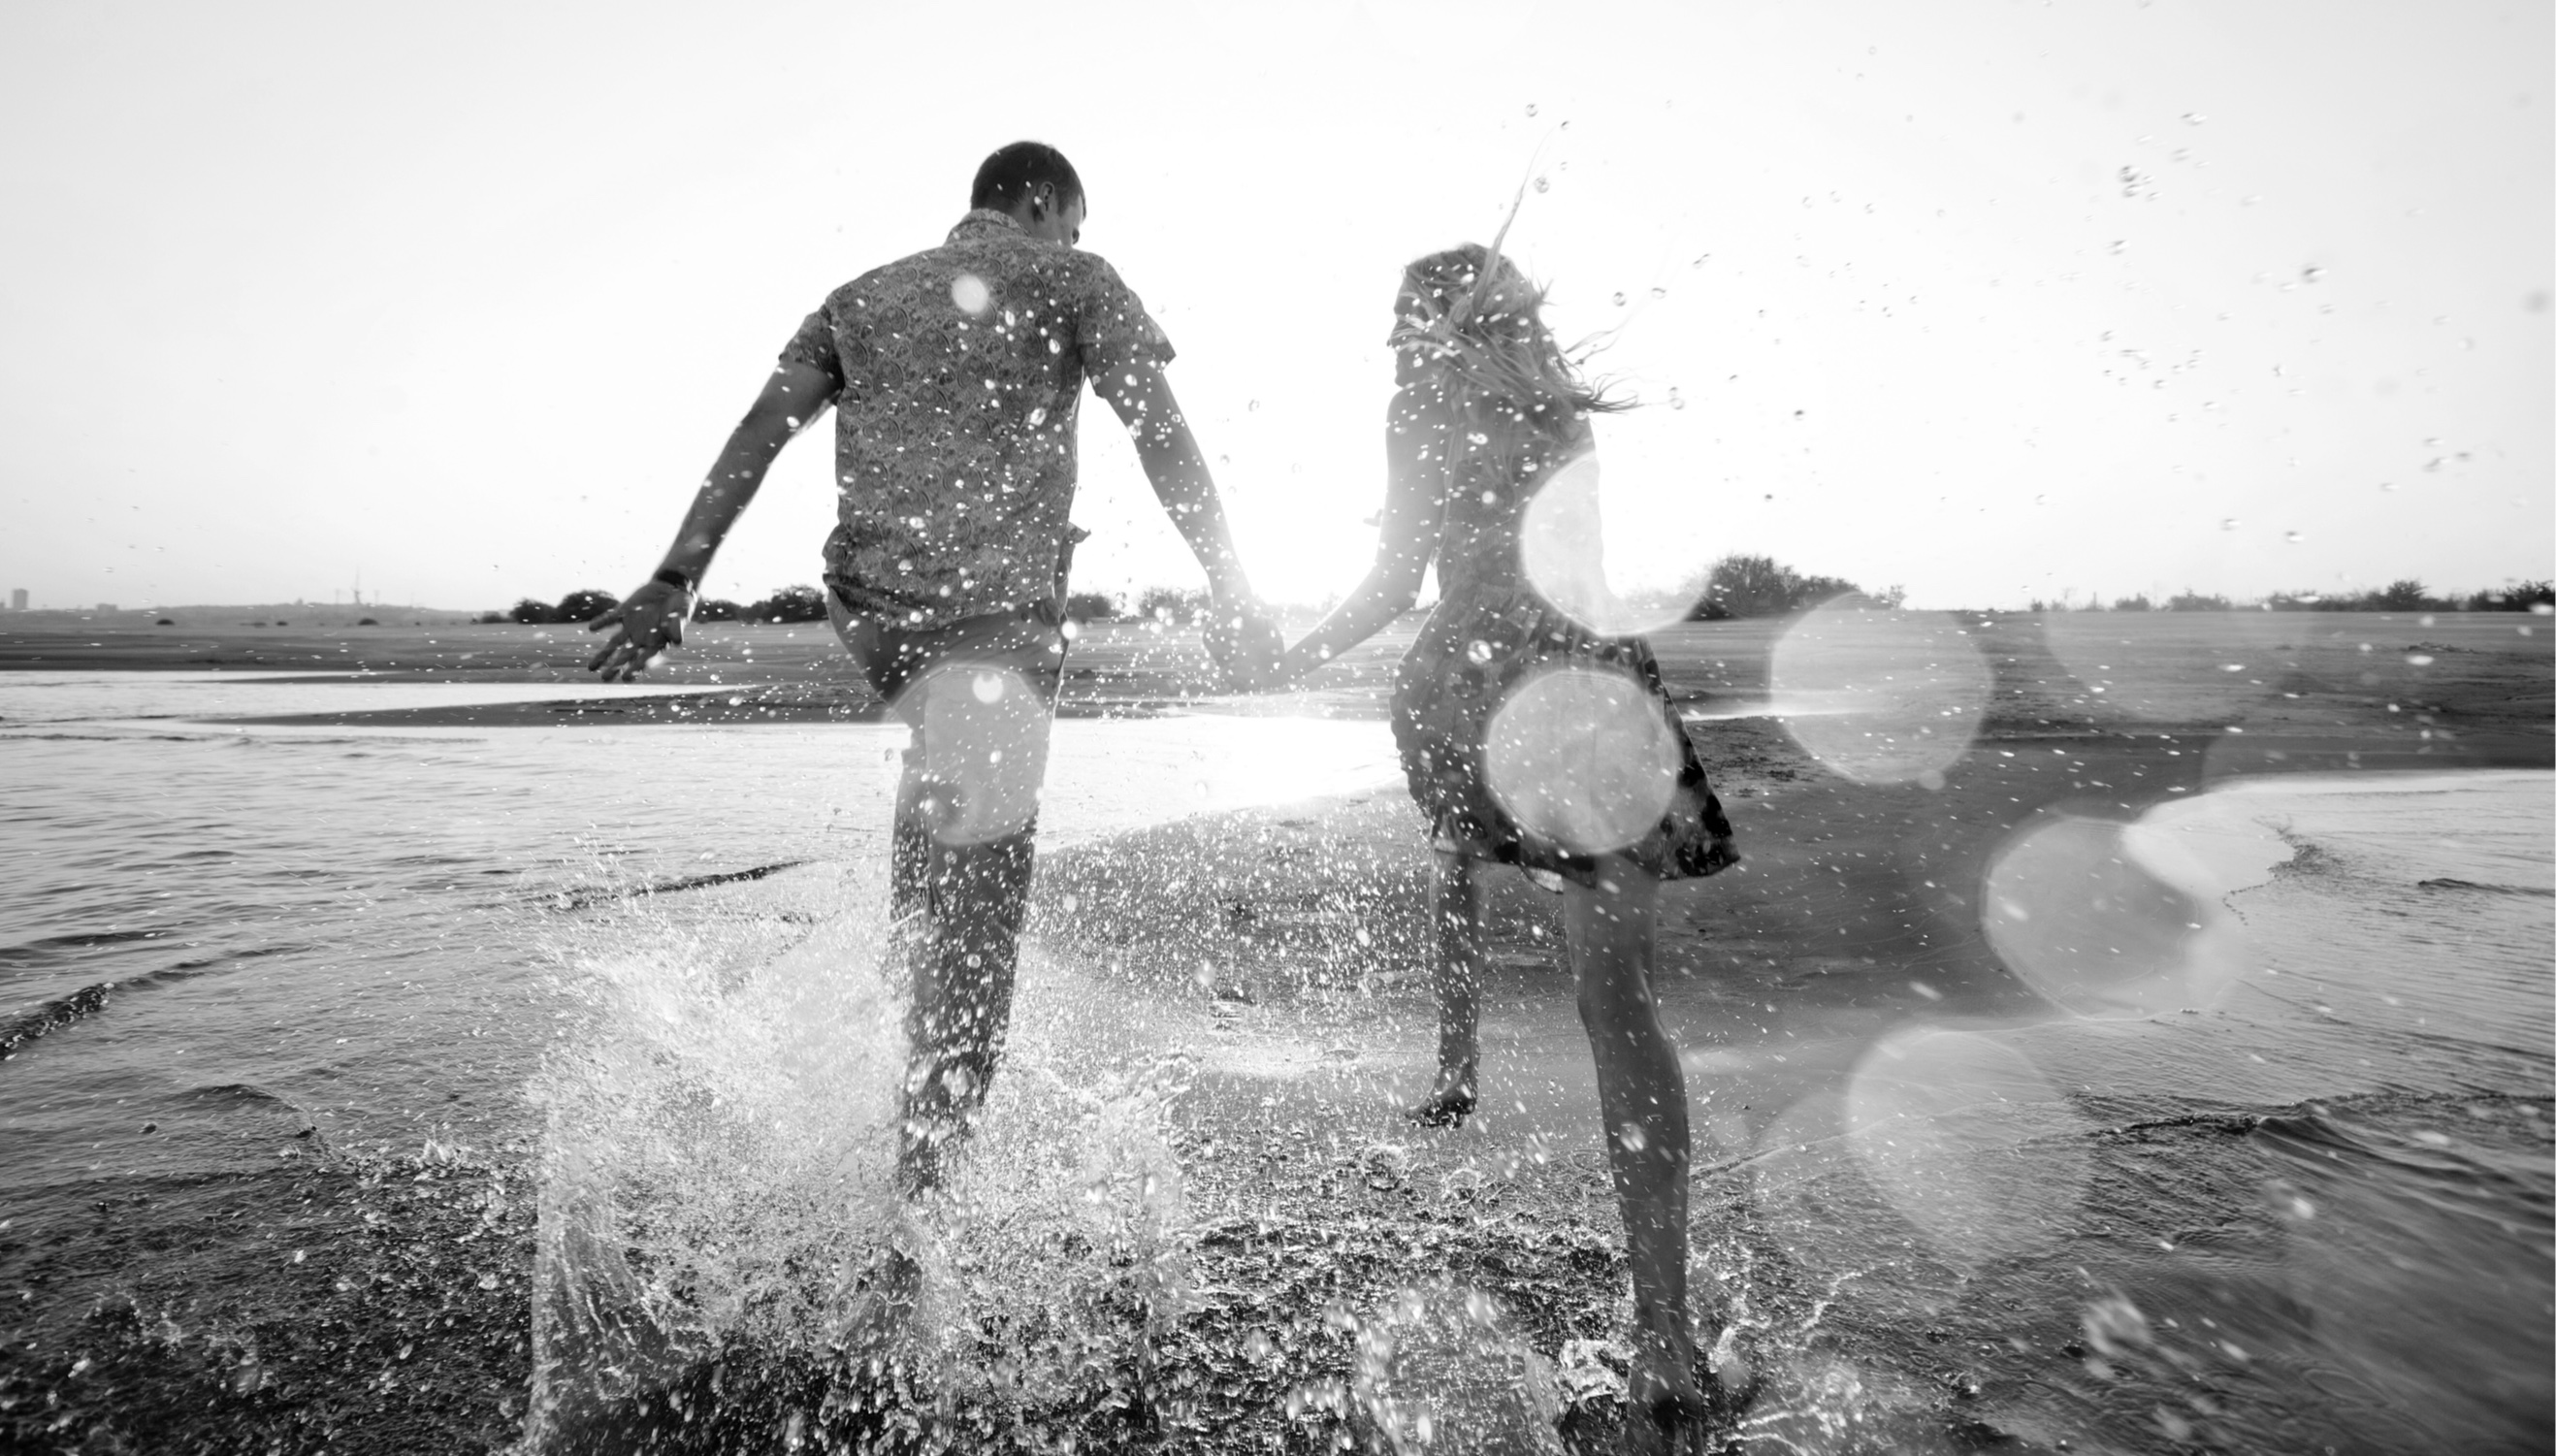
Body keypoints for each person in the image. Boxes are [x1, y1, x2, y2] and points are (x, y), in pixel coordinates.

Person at [586, 142, 1280, 1215]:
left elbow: (758, 434)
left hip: (875, 622)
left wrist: (676, 578)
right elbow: (1159, 431)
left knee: (930, 877)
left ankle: (873, 1137)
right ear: (1046, 204)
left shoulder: (859, 296)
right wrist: (1232, 587)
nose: (1075, 244)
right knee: (979, 937)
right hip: (989, 631)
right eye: (1074, 224)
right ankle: (917, 1238)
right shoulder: (1074, 280)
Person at [1274, 243, 1740, 1451]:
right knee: (1620, 1006)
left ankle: (1455, 1051)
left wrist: (1290, 652)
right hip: (1591, 683)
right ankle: (1664, 1337)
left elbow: (1393, 575)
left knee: (1453, 843)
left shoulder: (1416, 400)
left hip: (1476, 678)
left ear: (1424, 323)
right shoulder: (1558, 403)